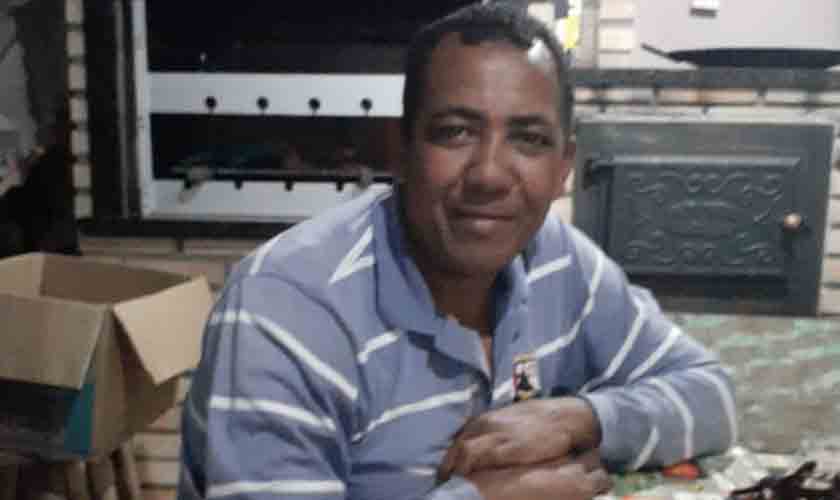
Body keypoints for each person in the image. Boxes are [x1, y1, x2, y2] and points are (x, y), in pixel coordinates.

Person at [178, 4, 737, 500]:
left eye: (529, 139)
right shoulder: (287, 312)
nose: (489, 175)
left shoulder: (557, 258)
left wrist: (580, 419)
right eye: (455, 132)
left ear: (563, 167)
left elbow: (712, 397)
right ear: (400, 150)